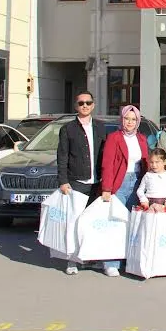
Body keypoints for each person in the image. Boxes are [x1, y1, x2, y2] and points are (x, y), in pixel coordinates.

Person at [56, 90, 107, 276]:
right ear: (76, 106)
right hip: (76, 182)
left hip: (97, 183)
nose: (84, 106)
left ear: (93, 105)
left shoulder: (101, 127)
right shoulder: (67, 129)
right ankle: (72, 259)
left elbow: (106, 155)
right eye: (81, 103)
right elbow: (62, 156)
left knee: (92, 222)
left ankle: (90, 257)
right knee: (74, 222)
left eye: (88, 102)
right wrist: (63, 181)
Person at [99, 105, 149, 277]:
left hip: (137, 182)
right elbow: (107, 164)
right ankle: (111, 262)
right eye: (127, 118)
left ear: (138, 121)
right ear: (122, 119)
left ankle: (129, 259)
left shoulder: (142, 139)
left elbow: (146, 163)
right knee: (116, 223)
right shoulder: (114, 138)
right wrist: (106, 188)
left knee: (133, 223)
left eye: (133, 119)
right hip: (119, 183)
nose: (130, 122)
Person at [137, 148, 166, 212]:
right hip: (149, 205)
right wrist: (143, 199)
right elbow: (140, 190)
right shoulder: (148, 175)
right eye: (151, 162)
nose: (154, 165)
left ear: (165, 162)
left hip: (165, 206)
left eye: (157, 162)